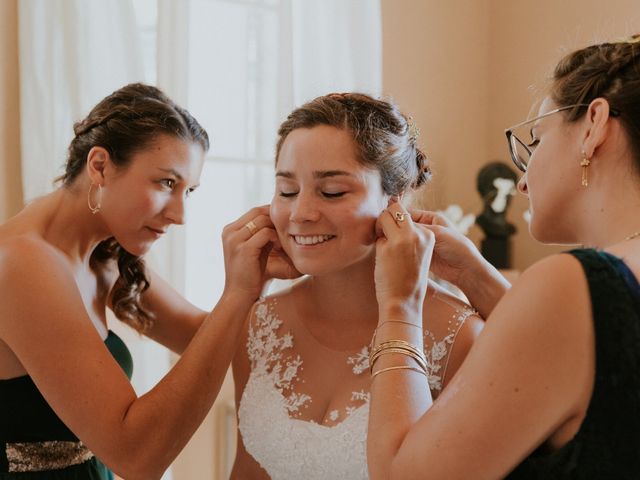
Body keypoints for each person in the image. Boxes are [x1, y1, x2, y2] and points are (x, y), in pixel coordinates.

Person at [367, 34, 640, 479]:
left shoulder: (573, 283)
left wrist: (399, 304)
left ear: (593, 125)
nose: (523, 180)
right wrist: (478, 277)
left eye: (535, 140)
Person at [0, 83, 295, 479]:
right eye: (165, 183)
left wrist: (259, 272)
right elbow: (137, 456)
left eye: (187, 191)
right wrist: (236, 293)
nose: (179, 215)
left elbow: (204, 336)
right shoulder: (21, 264)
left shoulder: (103, 253)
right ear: (100, 166)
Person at [230, 93, 484, 479]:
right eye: (287, 191)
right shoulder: (261, 323)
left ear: (394, 201)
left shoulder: (459, 338)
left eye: (332, 192)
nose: (300, 213)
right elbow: (247, 472)